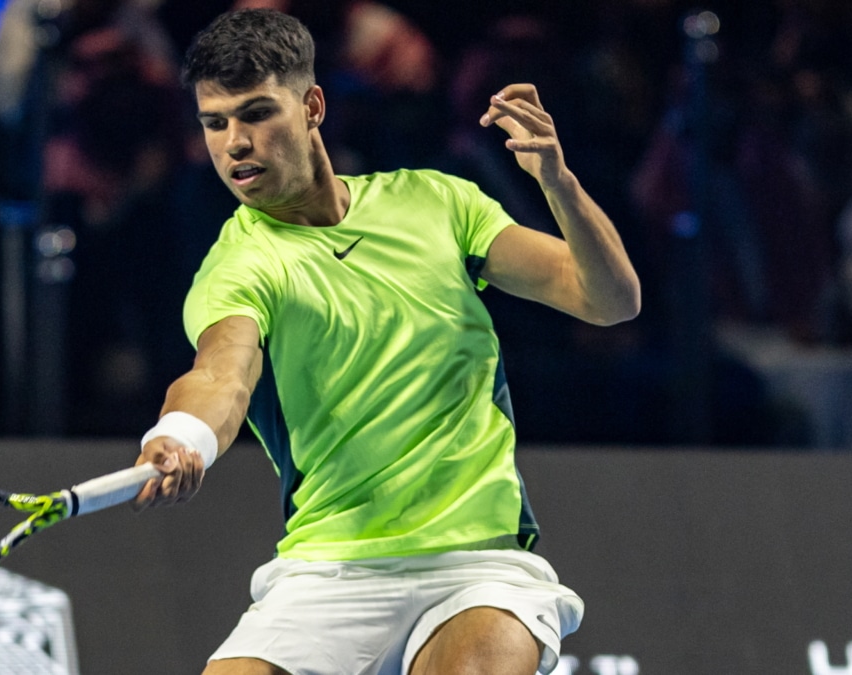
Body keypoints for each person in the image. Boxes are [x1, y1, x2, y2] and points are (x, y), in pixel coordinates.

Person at [131, 9, 639, 675]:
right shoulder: (239, 267)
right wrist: (184, 433)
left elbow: (607, 298)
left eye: (256, 113)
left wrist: (557, 182)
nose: (235, 143)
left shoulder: (437, 203)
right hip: (327, 569)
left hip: (478, 567)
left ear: (312, 105)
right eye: (215, 122)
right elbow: (220, 376)